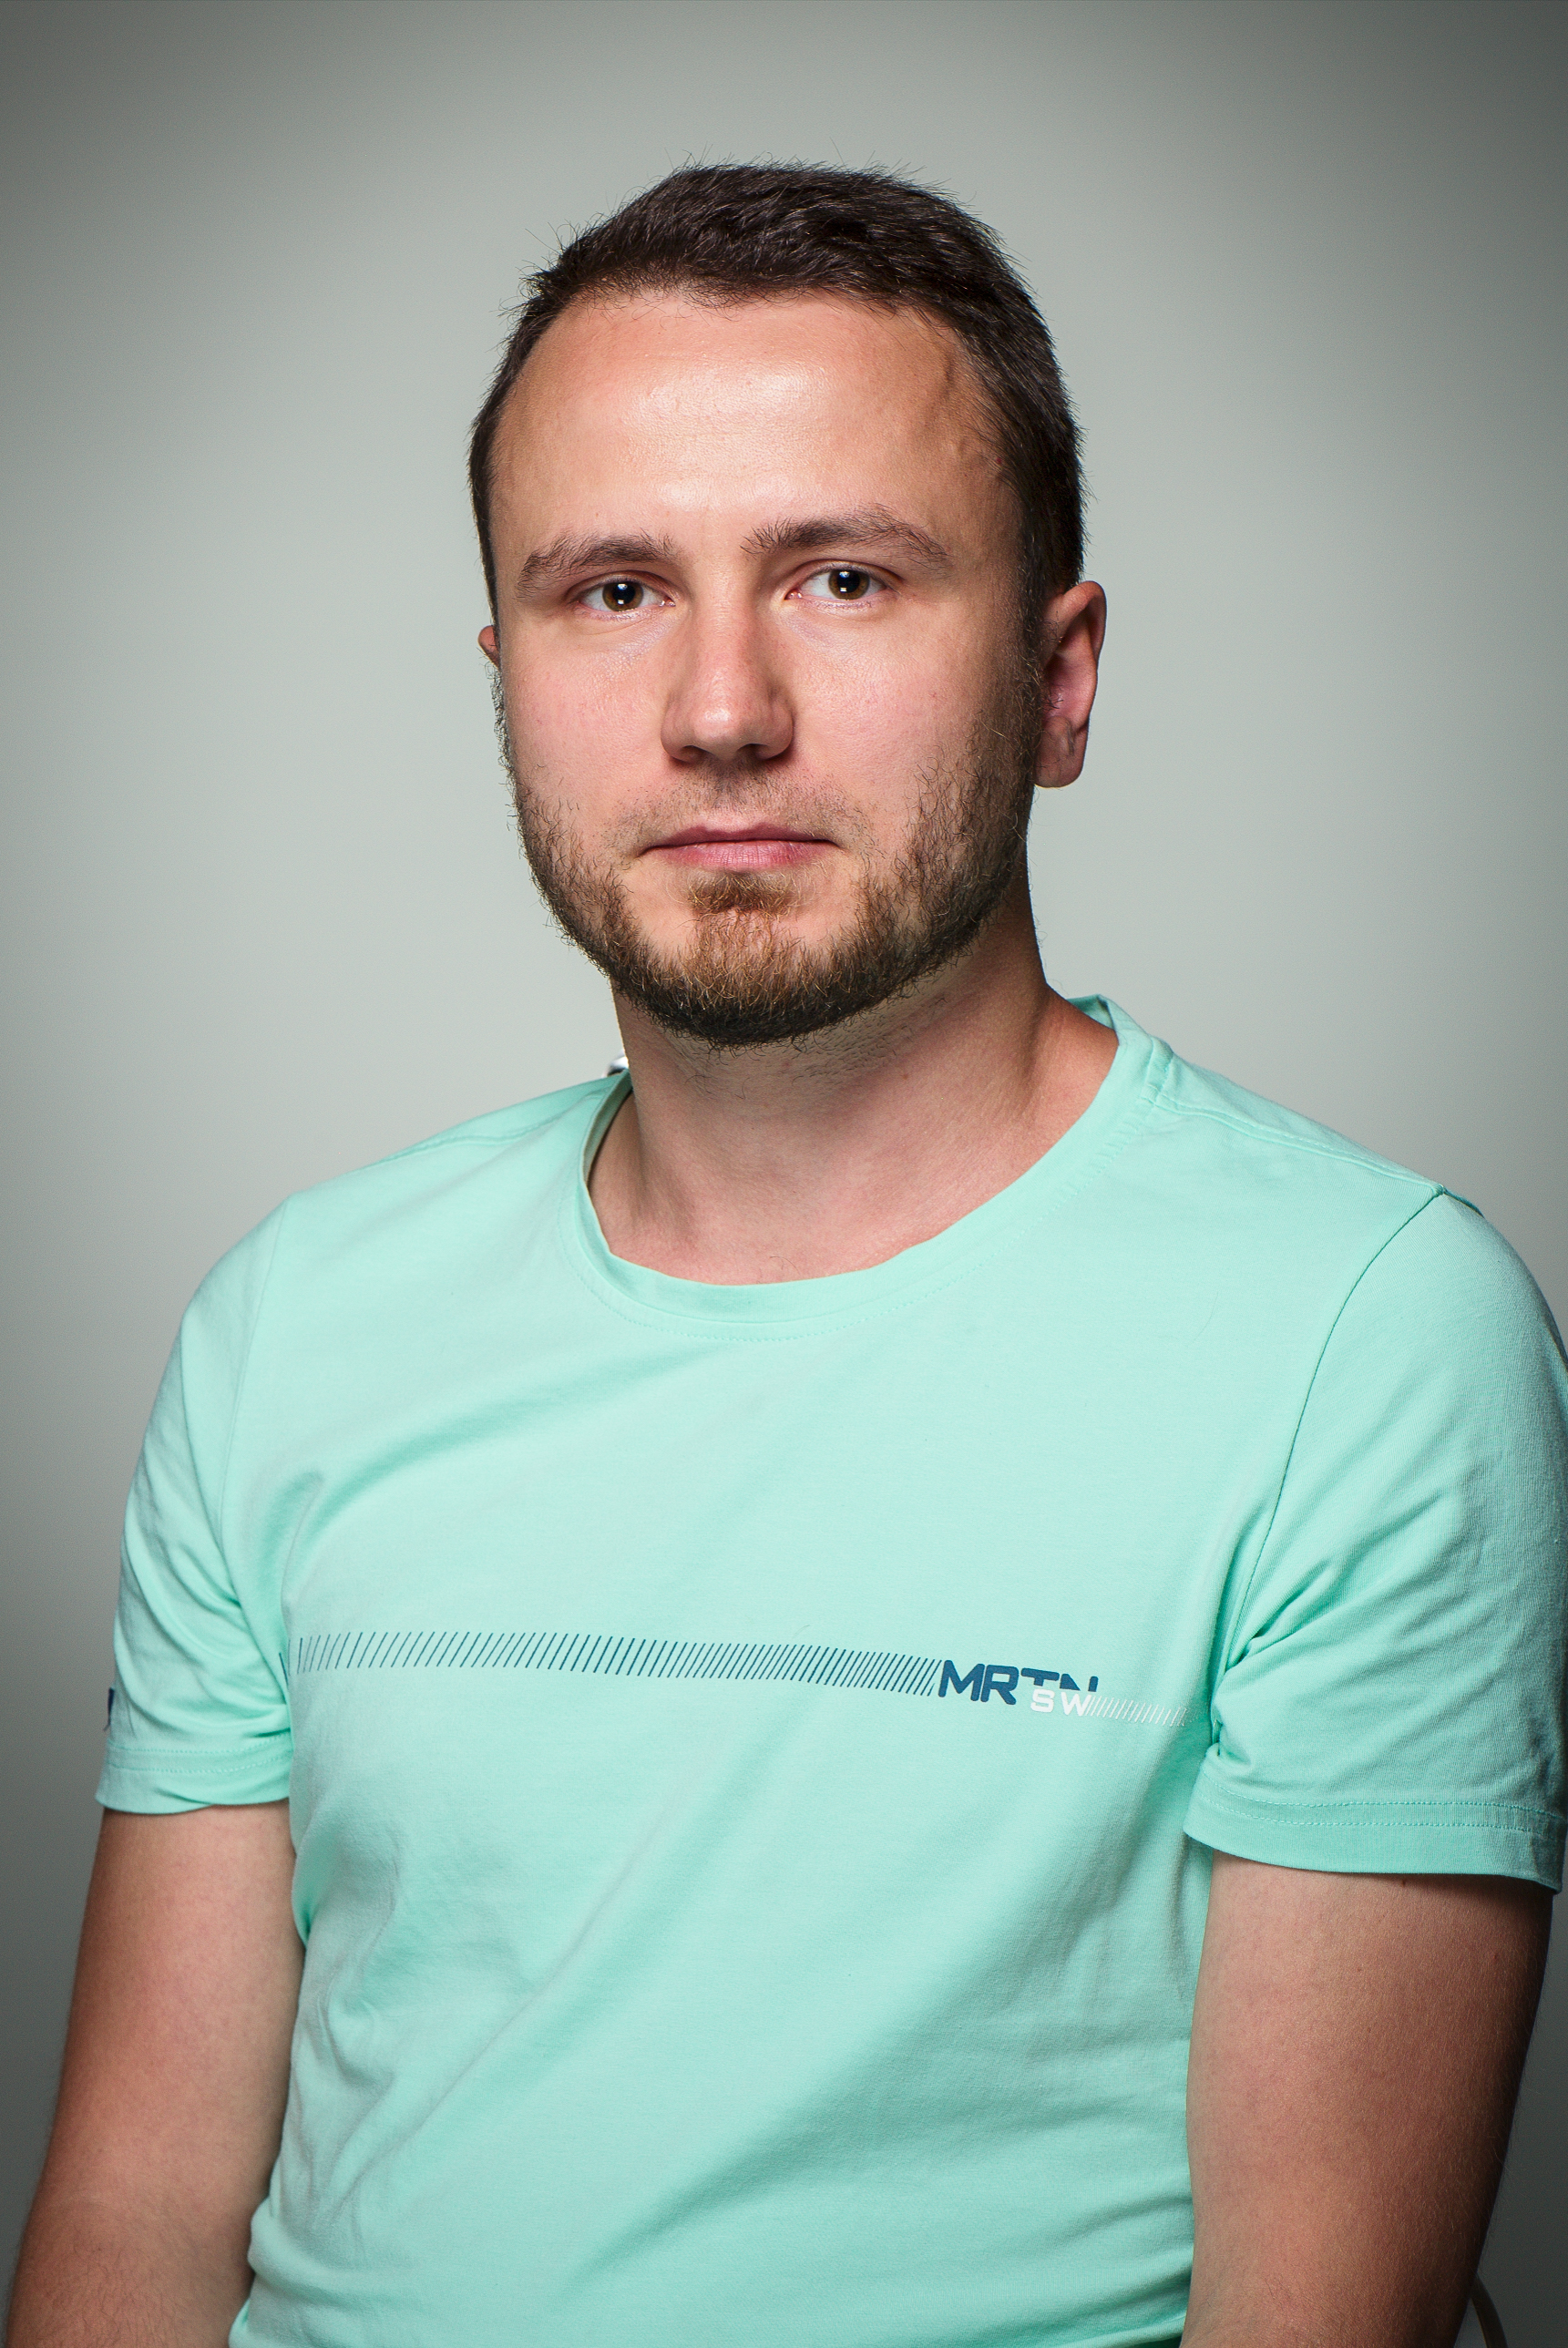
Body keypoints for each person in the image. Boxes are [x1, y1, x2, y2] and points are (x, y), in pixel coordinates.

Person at [9, 163, 1566, 2348]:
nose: (722, 708)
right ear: (505, 679)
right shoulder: (294, 1324)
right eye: (614, 588)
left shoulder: (1364, 1334)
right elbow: (136, 2221)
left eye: (844, 576)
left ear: (1060, 680)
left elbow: (1314, 2313)